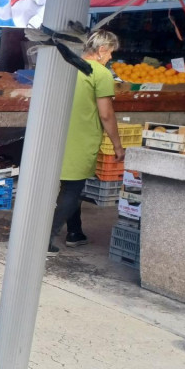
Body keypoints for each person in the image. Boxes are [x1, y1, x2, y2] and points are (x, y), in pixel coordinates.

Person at [48, 30, 125, 256]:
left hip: (55, 135)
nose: (110, 57)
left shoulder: (65, 66)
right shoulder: (100, 73)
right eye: (110, 52)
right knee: (72, 189)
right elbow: (106, 115)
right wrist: (118, 146)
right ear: (101, 50)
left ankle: (75, 232)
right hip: (80, 139)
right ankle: (44, 238)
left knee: (69, 188)